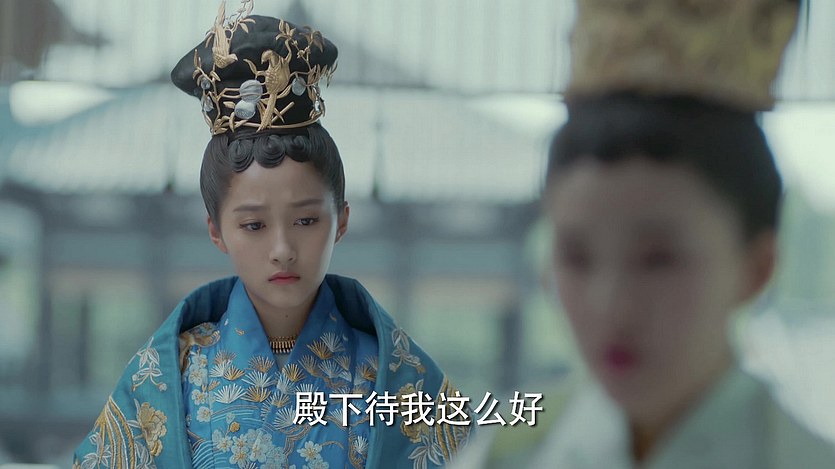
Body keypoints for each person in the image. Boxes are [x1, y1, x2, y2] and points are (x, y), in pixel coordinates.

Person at [72, 2, 470, 467]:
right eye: (254, 225)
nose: (282, 250)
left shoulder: (394, 380)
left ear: (341, 220)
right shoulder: (167, 376)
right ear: (216, 231)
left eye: (306, 221)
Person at [485, 0, 835, 467]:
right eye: (576, 257)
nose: (611, 305)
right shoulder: (504, 454)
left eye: (658, 259)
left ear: (757, 267)